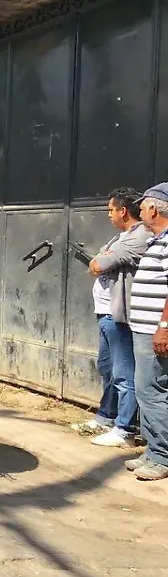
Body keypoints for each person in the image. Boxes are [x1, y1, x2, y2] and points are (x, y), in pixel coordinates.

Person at [71, 188, 151, 448]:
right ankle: (107, 416)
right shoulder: (121, 237)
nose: (108, 214)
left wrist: (102, 259)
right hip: (104, 312)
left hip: (119, 315)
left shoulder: (139, 236)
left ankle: (125, 429)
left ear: (123, 211)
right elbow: (98, 261)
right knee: (107, 368)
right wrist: (102, 259)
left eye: (110, 209)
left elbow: (97, 265)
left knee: (124, 372)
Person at [125, 183, 168, 481]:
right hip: (144, 329)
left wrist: (164, 327)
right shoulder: (157, 240)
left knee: (151, 391)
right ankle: (154, 451)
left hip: (155, 331)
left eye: (141, 207)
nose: (138, 211)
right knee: (147, 389)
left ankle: (162, 457)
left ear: (154, 209)